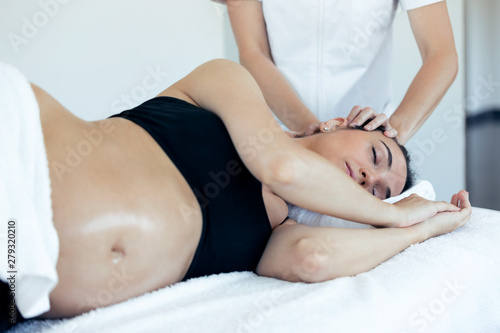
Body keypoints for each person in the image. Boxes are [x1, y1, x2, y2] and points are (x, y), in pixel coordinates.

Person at [8, 59, 469, 324]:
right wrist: (396, 213)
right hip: (18, 148)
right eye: (376, 155)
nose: (370, 180)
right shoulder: (226, 84)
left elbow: (315, 259)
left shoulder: (281, 232)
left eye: (378, 194)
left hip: (15, 275)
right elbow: (282, 165)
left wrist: (421, 230)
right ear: (335, 123)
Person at [224, 0, 458, 144]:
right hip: (280, 136)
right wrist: (315, 136)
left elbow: (441, 54)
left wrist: (391, 138)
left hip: (365, 146)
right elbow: (253, 53)